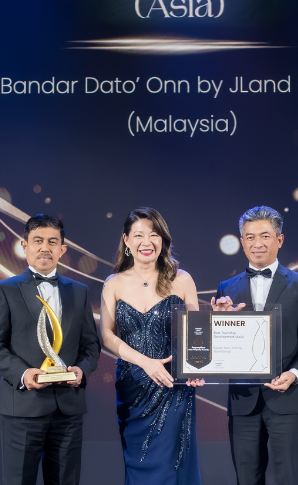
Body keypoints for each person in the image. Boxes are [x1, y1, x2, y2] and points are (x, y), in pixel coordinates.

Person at [0, 214, 100, 485]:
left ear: (62, 249)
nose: (45, 247)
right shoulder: (4, 290)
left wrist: (82, 371)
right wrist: (24, 374)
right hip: (22, 407)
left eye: (52, 242)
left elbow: (91, 344)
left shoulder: (79, 291)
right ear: (25, 246)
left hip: (68, 409)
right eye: (38, 241)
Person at [213, 206, 298, 485]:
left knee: (289, 478)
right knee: (246, 479)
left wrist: (294, 374)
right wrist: (218, 323)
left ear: (280, 239)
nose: (257, 244)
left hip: (289, 400)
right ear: (242, 242)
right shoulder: (226, 288)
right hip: (243, 402)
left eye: (265, 236)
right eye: (250, 237)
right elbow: (220, 348)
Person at [100, 207, 204, 485]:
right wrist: (145, 362)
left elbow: (197, 332)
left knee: (170, 467)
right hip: (132, 388)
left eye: (154, 235)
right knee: (138, 467)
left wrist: (197, 366)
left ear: (163, 240)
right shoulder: (113, 283)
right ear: (126, 240)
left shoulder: (182, 279)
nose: (146, 242)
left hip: (172, 386)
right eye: (138, 235)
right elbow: (107, 336)